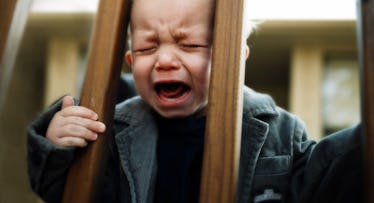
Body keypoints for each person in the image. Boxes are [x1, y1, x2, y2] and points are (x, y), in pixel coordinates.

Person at [27, 0, 317, 202]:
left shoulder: (282, 132)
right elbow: (64, 192)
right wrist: (57, 148)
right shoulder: (109, 130)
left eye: (190, 45)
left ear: (236, 59)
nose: (164, 60)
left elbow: (325, 181)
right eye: (147, 47)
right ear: (130, 60)